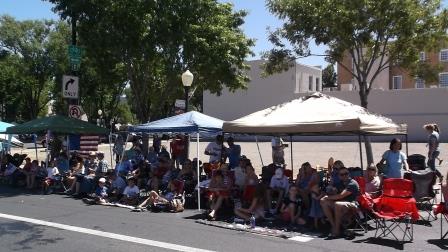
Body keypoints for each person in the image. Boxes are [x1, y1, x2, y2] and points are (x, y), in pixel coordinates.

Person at [320, 166, 360, 238]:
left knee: (337, 204)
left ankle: (337, 230)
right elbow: (333, 193)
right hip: (341, 204)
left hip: (352, 205)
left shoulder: (352, 183)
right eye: (342, 174)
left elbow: (341, 196)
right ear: (339, 176)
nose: (344, 175)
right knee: (323, 201)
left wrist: (328, 197)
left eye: (346, 173)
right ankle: (334, 225)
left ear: (349, 174)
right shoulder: (339, 183)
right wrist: (331, 189)